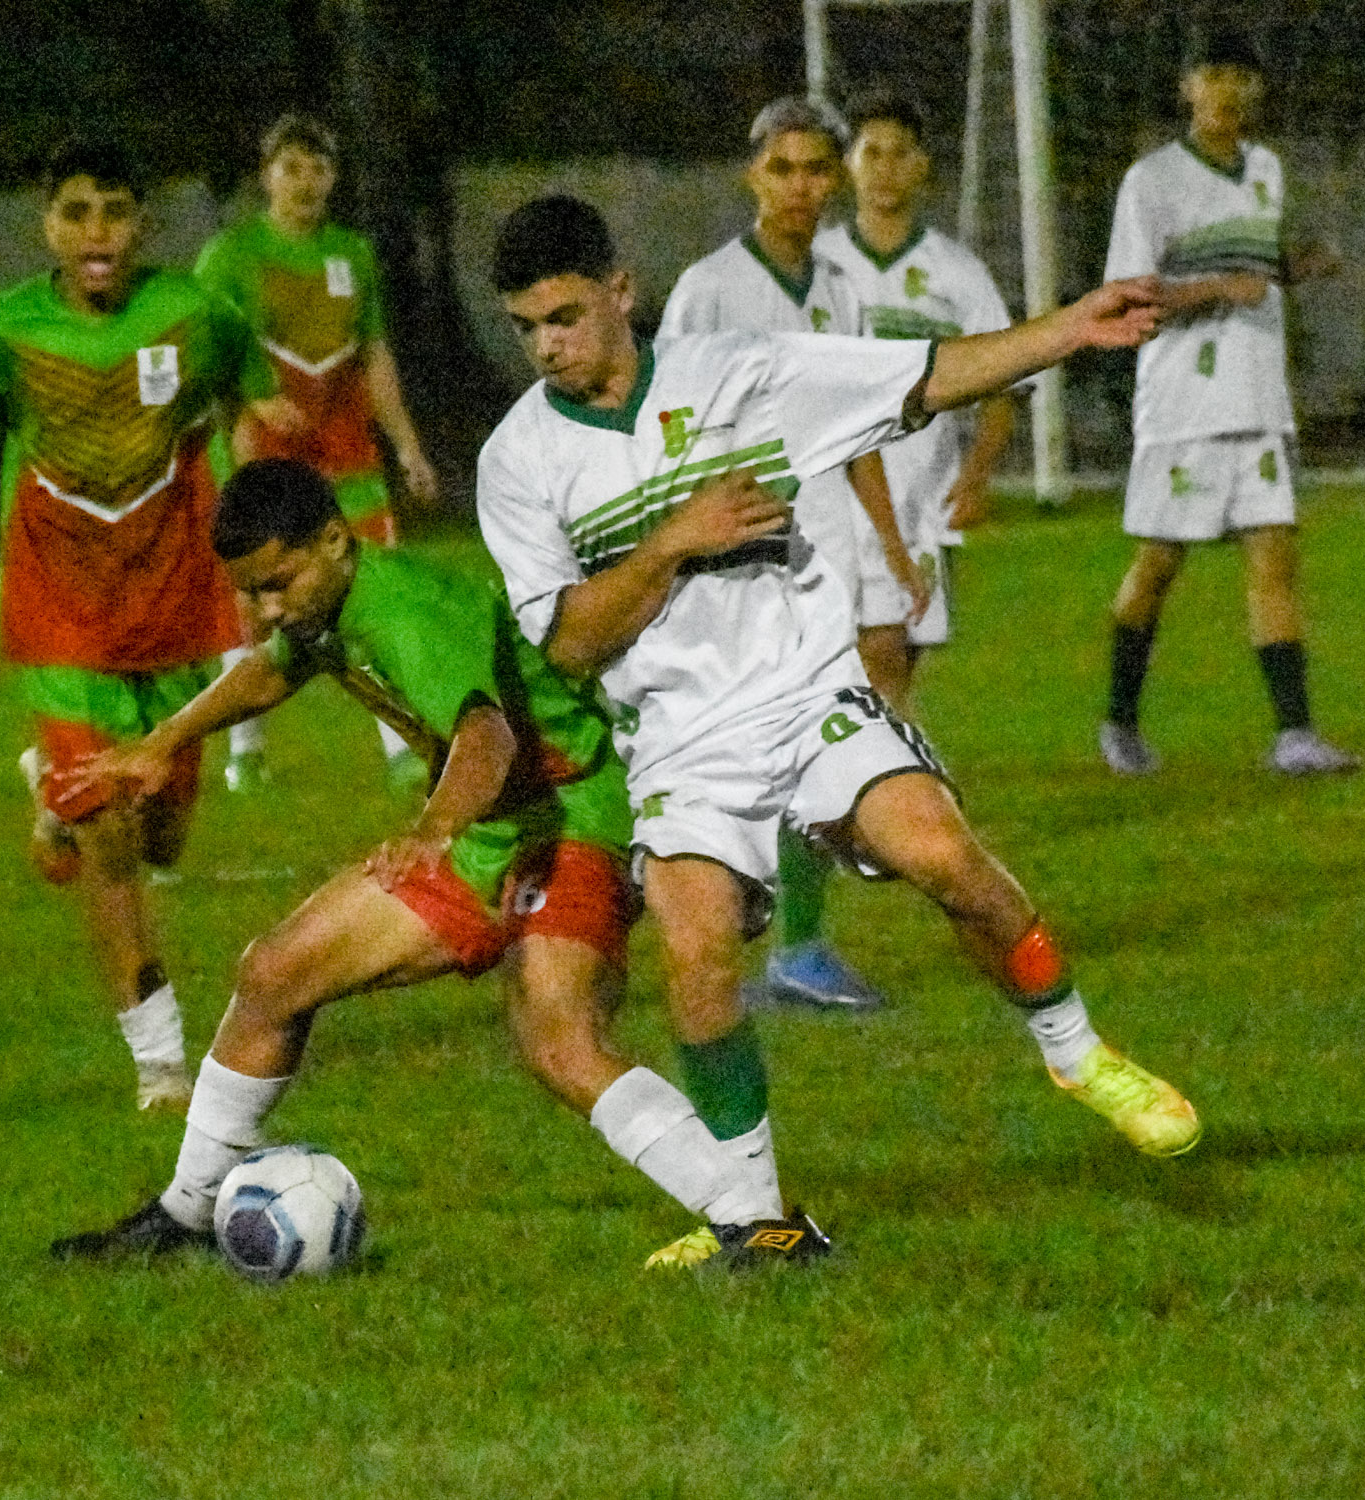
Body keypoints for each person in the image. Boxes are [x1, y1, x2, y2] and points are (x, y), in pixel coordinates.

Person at [478, 197, 1200, 1266]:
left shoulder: (740, 374)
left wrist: (1068, 325)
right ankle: (757, 1222)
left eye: (566, 316)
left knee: (944, 855)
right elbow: (571, 643)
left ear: (620, 291)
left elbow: (921, 376)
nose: (548, 345)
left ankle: (1074, 1050)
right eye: (528, 326)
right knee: (694, 958)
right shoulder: (518, 458)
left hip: (807, 684)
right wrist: (673, 542)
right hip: (682, 735)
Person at [50, 458, 826, 1270]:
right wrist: (160, 745)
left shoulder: (407, 612)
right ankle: (185, 1214)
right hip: (487, 829)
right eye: (250, 591)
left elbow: (485, 737)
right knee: (275, 975)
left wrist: (432, 829)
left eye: (278, 583)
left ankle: (762, 1227)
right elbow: (273, 667)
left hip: (567, 820)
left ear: (333, 540)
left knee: (560, 1039)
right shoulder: (330, 600)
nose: (265, 607)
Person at [0, 136, 289, 1114]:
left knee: (166, 834)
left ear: (142, 223)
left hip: (176, 605)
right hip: (58, 615)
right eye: (76, 213)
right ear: (46, 222)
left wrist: (260, 552)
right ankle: (159, 1065)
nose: (98, 235)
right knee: (114, 843)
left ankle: (51, 788)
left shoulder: (197, 316)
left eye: (117, 213)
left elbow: (243, 417)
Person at [658, 95, 924, 1013]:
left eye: (817, 169)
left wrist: (892, 544)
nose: (803, 187)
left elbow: (860, 428)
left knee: (816, 743)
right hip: (738, 557)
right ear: (752, 176)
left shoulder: (842, 289)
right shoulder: (709, 290)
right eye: (784, 169)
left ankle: (799, 948)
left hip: (826, 550)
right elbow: (666, 432)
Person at [1097, 35, 1359, 779]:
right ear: (1187, 87)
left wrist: (1296, 266)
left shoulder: (1267, 169)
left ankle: (1295, 734)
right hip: (1184, 409)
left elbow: (1256, 267)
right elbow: (1128, 297)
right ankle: (1119, 719)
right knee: (1159, 565)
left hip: (1260, 399)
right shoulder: (1151, 181)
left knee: (1275, 557)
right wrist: (1215, 289)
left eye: (1242, 77)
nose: (1228, 90)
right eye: (1214, 75)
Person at [194, 111, 440, 793]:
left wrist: (408, 446)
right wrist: (256, 396)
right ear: (266, 175)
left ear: (334, 176)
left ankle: (401, 745)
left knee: (373, 587)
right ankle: (246, 750)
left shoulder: (352, 255)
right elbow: (198, 347)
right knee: (254, 600)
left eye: (318, 168)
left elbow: (374, 354)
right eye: (291, 167)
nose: (306, 182)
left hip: (346, 454)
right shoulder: (230, 256)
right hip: (258, 455)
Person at [816, 85, 1023, 710]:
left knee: (900, 656)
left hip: (925, 494)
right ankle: (883, 793)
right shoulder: (819, 263)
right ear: (848, 163)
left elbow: (1004, 383)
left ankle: (877, 786)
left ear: (922, 165)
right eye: (870, 153)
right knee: (871, 652)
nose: (884, 168)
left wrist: (978, 474)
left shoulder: (955, 271)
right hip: (841, 491)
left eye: (899, 153)